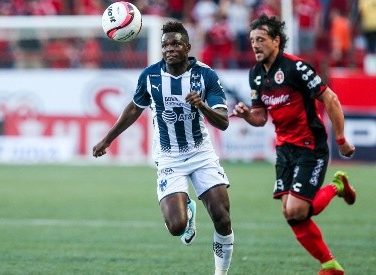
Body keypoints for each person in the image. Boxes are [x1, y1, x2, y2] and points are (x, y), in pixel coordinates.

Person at [93, 21, 234, 275]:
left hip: (201, 154)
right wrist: (108, 139)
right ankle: (188, 214)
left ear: (188, 47)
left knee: (222, 218)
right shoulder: (150, 76)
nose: (170, 49)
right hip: (169, 158)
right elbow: (134, 108)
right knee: (176, 227)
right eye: (165, 45)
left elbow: (223, 122)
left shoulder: (206, 76)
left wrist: (201, 106)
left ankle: (220, 273)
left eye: (176, 43)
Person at [231, 14, 356, 275]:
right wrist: (246, 115)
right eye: (252, 40)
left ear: (276, 41)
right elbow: (260, 117)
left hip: (310, 144)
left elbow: (330, 99)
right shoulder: (256, 75)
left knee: (297, 208)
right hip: (284, 149)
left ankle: (336, 186)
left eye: (261, 39)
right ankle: (330, 265)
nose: (255, 45)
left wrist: (341, 140)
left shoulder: (296, 68)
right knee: (291, 214)